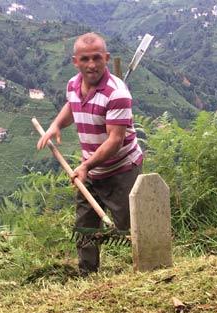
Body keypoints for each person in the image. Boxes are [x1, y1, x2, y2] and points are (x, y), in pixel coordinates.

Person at [36, 32, 143, 275]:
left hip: (121, 170)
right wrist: (55, 125)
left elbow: (115, 141)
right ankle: (86, 273)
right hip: (91, 169)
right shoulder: (73, 85)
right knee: (85, 224)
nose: (91, 65)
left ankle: (147, 267)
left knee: (131, 225)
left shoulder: (117, 93)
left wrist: (85, 167)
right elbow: (72, 107)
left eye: (97, 58)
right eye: (85, 59)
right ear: (76, 61)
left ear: (106, 58)